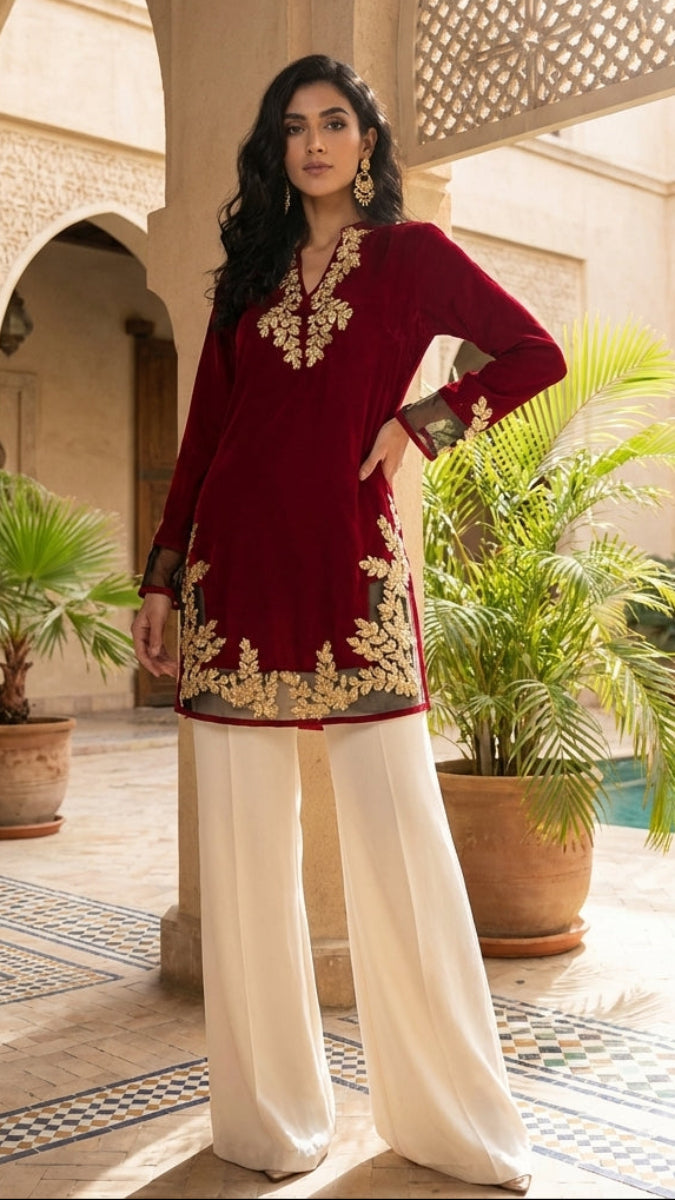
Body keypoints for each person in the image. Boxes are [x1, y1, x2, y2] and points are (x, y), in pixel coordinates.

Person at [131, 53, 567, 1193]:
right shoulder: (248, 277)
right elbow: (200, 443)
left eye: (335, 123)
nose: (315, 142)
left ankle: (448, 1121)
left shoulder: (413, 260)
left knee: (400, 841)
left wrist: (425, 421)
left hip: (351, 573)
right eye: (294, 128)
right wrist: (164, 577)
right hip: (235, 573)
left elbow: (533, 352)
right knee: (243, 850)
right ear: (278, 150)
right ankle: (269, 1120)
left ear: (367, 143)